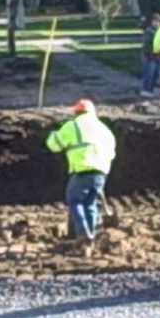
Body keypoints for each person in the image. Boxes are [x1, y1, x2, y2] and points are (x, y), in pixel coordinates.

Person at [46, 99, 116, 257]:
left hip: (81, 170)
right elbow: (112, 153)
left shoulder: (73, 125)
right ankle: (90, 237)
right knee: (90, 204)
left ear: (76, 112)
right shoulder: (104, 129)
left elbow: (54, 145)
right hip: (100, 173)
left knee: (75, 201)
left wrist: (52, 134)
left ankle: (83, 234)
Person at [140, 13, 160, 97]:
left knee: (156, 74)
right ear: (152, 22)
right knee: (149, 73)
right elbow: (147, 44)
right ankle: (146, 89)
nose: (156, 23)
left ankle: (151, 89)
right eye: (155, 21)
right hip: (150, 56)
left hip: (157, 55)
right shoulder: (149, 31)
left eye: (158, 21)